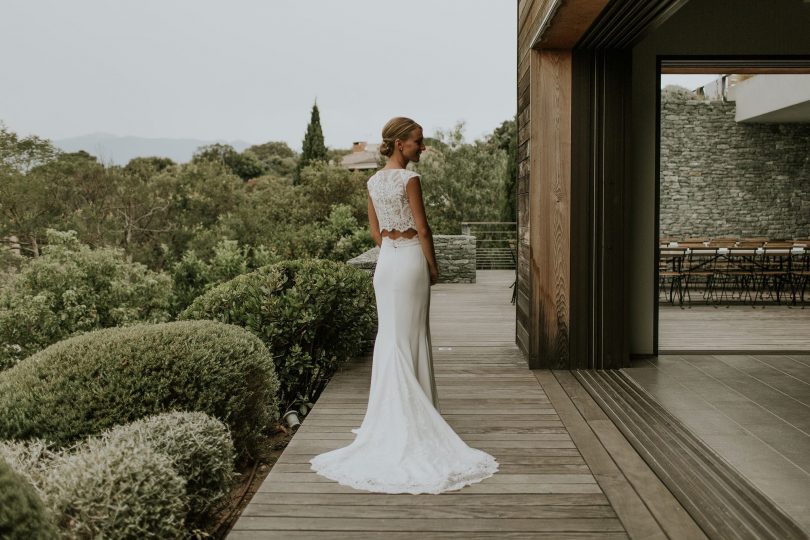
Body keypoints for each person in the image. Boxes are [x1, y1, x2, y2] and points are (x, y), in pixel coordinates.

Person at [309, 117, 498, 494]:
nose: (421, 147)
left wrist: (392, 254)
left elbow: (375, 233)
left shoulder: (373, 180)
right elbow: (423, 228)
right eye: (417, 142)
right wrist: (431, 265)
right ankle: (418, 413)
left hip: (387, 264)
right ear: (399, 144)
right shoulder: (409, 180)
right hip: (410, 258)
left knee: (392, 337)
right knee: (413, 336)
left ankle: (389, 416)